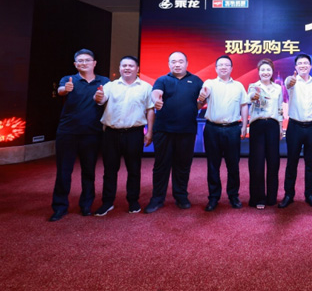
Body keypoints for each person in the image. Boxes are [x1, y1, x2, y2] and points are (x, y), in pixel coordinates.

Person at [49, 49, 110, 222]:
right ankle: (60, 207)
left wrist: (101, 98)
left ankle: (86, 205)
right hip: (67, 132)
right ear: (75, 64)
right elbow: (61, 90)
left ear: (94, 63)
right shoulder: (68, 79)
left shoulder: (104, 81)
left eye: (87, 60)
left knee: (89, 171)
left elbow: (108, 100)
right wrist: (65, 89)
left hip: (92, 133)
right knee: (63, 171)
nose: (84, 63)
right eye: (80, 61)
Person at [93, 56, 154, 216]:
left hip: (134, 133)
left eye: (131, 65)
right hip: (111, 133)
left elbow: (150, 110)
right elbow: (100, 99)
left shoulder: (146, 87)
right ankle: (107, 202)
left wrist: (150, 132)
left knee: (134, 169)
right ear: (120, 68)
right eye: (124, 65)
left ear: (137, 69)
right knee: (109, 170)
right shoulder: (110, 86)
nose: (127, 68)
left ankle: (133, 201)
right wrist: (98, 97)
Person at [145, 51, 203, 214]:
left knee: (183, 166)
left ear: (187, 63)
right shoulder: (162, 80)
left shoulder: (196, 81)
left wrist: (202, 100)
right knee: (161, 166)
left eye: (180, 61)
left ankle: (181, 196)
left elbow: (200, 102)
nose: (177, 64)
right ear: (169, 64)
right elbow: (156, 93)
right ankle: (157, 198)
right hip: (164, 130)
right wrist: (156, 100)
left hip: (187, 130)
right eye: (173, 61)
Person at [198, 55, 249, 212]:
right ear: (216, 68)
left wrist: (244, 125)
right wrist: (201, 98)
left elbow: (244, 106)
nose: (223, 67)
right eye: (220, 65)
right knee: (213, 165)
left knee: (233, 165)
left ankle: (233, 196)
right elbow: (201, 100)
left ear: (231, 68)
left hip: (233, 129)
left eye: (227, 65)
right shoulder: (209, 83)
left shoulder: (238, 86)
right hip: (212, 129)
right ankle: (213, 197)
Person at [279, 54, 312, 208]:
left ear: (310, 66)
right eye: (300, 63)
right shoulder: (291, 80)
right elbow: (288, 83)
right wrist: (290, 81)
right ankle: (288, 195)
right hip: (295, 127)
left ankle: (310, 194)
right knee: (291, 162)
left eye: (306, 63)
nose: (303, 65)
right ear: (296, 67)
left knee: (310, 163)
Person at [247, 59, 283, 209]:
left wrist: (280, 127)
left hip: (273, 125)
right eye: (262, 70)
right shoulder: (253, 86)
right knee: (257, 163)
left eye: (268, 70)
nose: (265, 72)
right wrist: (253, 96)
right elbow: (249, 98)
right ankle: (258, 198)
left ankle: (272, 197)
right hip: (257, 125)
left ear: (272, 72)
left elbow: (280, 109)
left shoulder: (278, 88)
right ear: (259, 72)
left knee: (274, 162)